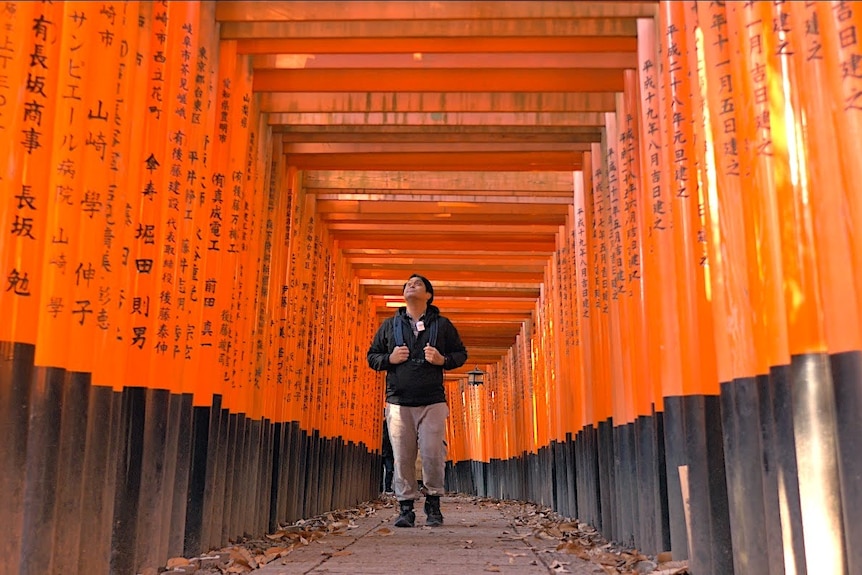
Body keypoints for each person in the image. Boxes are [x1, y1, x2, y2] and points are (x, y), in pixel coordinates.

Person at [367, 274, 468, 527]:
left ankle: (433, 502)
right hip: (399, 401)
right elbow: (372, 357)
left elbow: (461, 354)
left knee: (433, 453)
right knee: (402, 456)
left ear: (429, 296)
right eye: (408, 284)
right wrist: (389, 359)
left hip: (432, 400)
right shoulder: (389, 326)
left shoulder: (442, 325)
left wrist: (442, 360)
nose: (411, 286)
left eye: (418, 284)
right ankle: (406, 507)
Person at [381, 417, 395, 495]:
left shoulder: (391, 424)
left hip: (389, 450)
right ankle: (381, 487)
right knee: (380, 471)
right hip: (381, 449)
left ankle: (387, 487)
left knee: (389, 470)